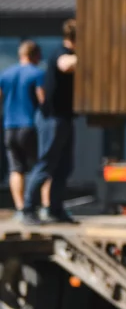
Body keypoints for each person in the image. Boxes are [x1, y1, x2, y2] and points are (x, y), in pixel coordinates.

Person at [25, 19, 78, 224]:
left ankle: (55, 209)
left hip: (64, 117)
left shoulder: (66, 52)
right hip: (52, 118)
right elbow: (65, 65)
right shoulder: (61, 52)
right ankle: (28, 208)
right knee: (46, 164)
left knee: (64, 166)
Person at [0, 40, 44, 222]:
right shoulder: (37, 73)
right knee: (40, 167)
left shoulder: (6, 74)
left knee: (16, 168)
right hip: (30, 125)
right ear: (36, 56)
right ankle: (37, 207)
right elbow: (43, 100)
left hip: (10, 127)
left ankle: (19, 207)